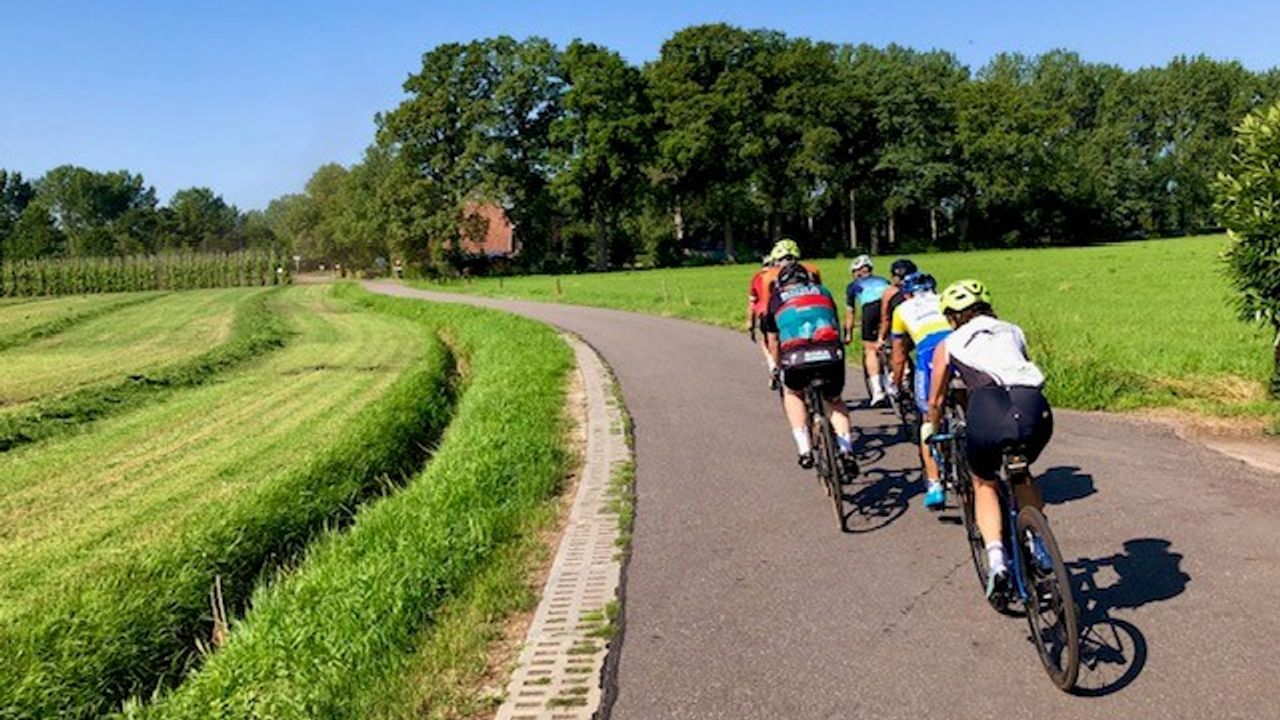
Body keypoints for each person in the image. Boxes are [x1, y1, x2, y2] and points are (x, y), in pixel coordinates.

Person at [923, 279, 1054, 600]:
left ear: (952, 316)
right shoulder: (1013, 330)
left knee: (983, 482)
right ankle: (1039, 546)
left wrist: (930, 427)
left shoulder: (949, 343)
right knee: (1021, 471)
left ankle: (997, 562)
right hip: (1034, 409)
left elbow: (936, 401)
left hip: (988, 411)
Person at [760, 260, 858, 477]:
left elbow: (773, 341)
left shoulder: (776, 298)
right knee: (834, 400)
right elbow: (834, 322)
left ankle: (804, 449)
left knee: (793, 393)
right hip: (830, 353)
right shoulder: (823, 291)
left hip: (796, 357)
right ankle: (847, 450)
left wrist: (776, 367)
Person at [889, 272, 951, 510]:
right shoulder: (944, 298)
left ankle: (934, 484)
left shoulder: (902, 309)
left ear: (907, 294)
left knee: (928, 417)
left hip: (929, 351)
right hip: (956, 344)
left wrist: (896, 382)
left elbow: (898, 356)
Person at [843, 255, 891, 406]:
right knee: (894, 343)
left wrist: (848, 334)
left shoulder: (853, 286)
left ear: (857, 272)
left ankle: (877, 391)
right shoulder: (884, 280)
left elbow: (850, 313)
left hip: (870, 309)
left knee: (870, 349)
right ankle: (900, 376)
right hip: (890, 306)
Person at [875, 258, 918, 396]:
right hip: (919, 328)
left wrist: (880, 338)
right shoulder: (921, 288)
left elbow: (885, 318)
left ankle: (898, 377)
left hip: (900, 330)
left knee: (893, 349)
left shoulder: (889, 292)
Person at [747, 256, 777, 389]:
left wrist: (750, 323)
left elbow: (752, 303)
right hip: (783, 312)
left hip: (764, 313)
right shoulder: (780, 275)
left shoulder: (757, 277)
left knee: (765, 341)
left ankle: (773, 365)